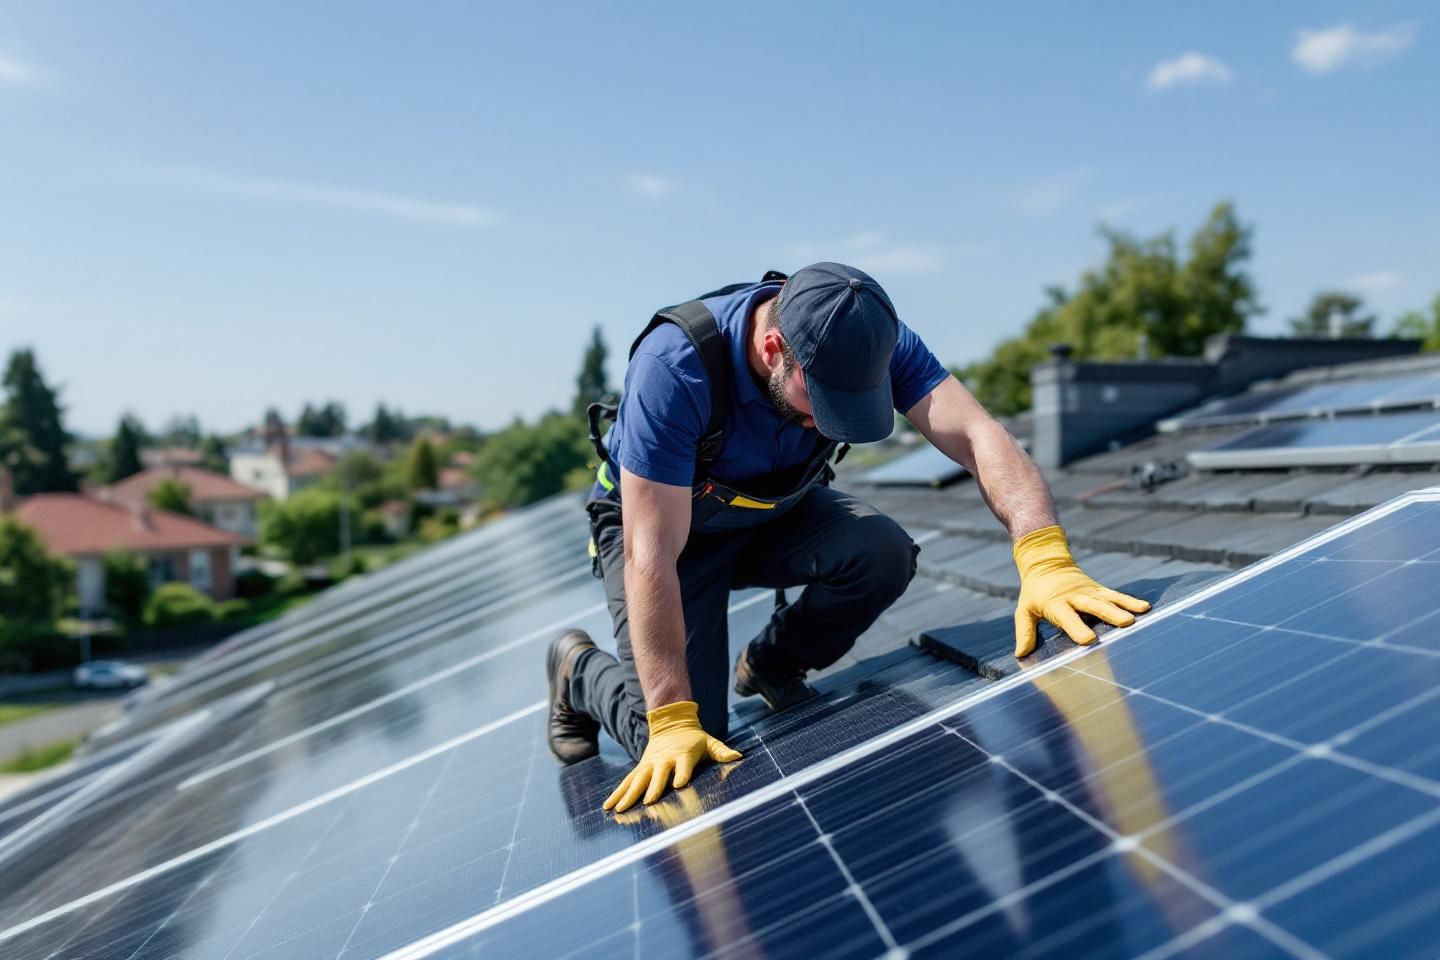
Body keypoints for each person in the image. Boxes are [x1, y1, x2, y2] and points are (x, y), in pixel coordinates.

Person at [544, 262, 1150, 814]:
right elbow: (652, 556)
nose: (826, 421)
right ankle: (577, 670)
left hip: (770, 511)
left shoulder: (865, 336)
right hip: (663, 533)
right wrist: (674, 715)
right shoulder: (675, 368)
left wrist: (1044, 555)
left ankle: (770, 663)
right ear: (773, 347)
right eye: (821, 401)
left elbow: (976, 433)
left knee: (880, 551)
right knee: (687, 743)